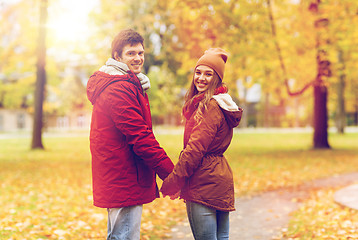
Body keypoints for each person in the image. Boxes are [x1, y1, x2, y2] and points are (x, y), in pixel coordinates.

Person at [86, 29, 174, 240]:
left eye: (140, 53)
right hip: (123, 175)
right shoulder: (118, 89)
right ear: (117, 56)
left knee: (120, 235)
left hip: (123, 173)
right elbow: (140, 136)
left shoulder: (129, 84)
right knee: (124, 236)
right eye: (131, 53)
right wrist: (170, 174)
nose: (138, 58)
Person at [160, 48, 243, 240]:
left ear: (217, 79)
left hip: (203, 183)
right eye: (198, 72)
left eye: (208, 74)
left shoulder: (210, 107)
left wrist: (173, 182)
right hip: (219, 179)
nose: (201, 78)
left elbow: (194, 151)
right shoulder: (222, 103)